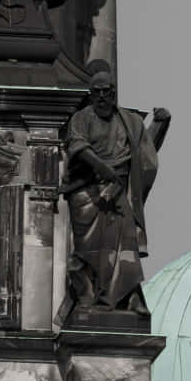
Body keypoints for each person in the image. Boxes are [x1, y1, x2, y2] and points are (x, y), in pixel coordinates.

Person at [61, 62, 170, 320]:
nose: (102, 97)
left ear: (114, 93)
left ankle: (127, 297)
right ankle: (89, 296)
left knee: (125, 245)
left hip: (117, 192)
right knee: (87, 250)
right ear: (90, 94)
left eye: (107, 92)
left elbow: (143, 153)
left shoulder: (128, 121)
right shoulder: (82, 118)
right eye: (97, 92)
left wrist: (160, 124)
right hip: (87, 194)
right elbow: (77, 146)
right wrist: (103, 168)